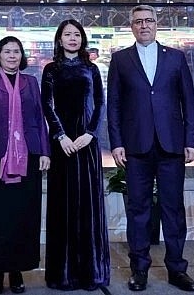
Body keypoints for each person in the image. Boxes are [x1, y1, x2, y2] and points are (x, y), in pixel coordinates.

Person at [107, 4, 194, 292]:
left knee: (173, 209)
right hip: (136, 147)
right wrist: (116, 142)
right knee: (138, 211)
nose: (143, 25)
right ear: (131, 27)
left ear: (157, 24)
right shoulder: (120, 60)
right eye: (138, 21)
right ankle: (140, 270)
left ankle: (177, 270)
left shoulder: (176, 58)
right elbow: (114, 106)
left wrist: (191, 140)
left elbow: (189, 102)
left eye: (148, 20)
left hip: (171, 145)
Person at [0, 36, 51, 294]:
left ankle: (16, 271)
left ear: (22, 56)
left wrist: (45, 151)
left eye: (16, 52)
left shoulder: (31, 82)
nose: (12, 56)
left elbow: (39, 118)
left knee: (22, 216)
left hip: (28, 157)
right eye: (7, 52)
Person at [41, 20, 110, 291]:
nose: (73, 38)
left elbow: (100, 103)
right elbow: (47, 104)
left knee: (88, 206)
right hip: (62, 146)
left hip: (87, 144)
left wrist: (90, 134)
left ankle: (90, 273)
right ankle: (63, 274)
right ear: (59, 40)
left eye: (77, 35)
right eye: (67, 34)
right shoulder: (51, 69)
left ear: (82, 39)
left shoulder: (91, 69)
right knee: (62, 205)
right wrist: (60, 136)